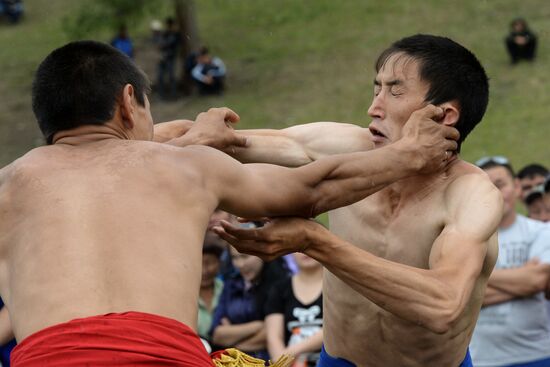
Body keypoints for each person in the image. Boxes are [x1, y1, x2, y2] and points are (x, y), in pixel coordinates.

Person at [0, 40, 458, 365]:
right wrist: (407, 155)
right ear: (127, 104)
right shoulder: (183, 167)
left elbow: (98, 164)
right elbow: (308, 191)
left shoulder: (7, 187)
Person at [213, 34, 501, 366]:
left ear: (445, 115)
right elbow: (231, 143)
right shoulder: (348, 148)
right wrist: (177, 133)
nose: (373, 108)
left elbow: (443, 304)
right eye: (376, 88)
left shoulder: (471, 194)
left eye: (394, 91)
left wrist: (315, 241)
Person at [469, 157, 550, 367]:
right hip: (481, 358)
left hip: (536, 354)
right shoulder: (464, 239)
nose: (494, 192)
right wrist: (522, 280)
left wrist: (476, 275)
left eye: (500, 184)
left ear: (516, 187)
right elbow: (458, 297)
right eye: (486, 186)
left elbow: (538, 281)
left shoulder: (542, 230)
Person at [211, 246, 289, 360]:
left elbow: (272, 335)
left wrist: (232, 343)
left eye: (245, 256)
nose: (240, 264)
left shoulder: (282, 285)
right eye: (234, 257)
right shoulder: (230, 285)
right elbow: (217, 335)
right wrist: (257, 326)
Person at [265, 253, 323, 366]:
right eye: (300, 248)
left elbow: (336, 329)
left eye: (310, 244)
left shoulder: (336, 287)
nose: (305, 251)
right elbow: (274, 337)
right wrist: (282, 363)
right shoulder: (279, 289)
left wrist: (291, 352)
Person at [197, 242, 225, 344]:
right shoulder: (185, 294)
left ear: (219, 264)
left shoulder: (227, 289)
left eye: (209, 263)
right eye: (199, 264)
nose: (204, 271)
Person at [156, 17, 180, 99]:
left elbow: (169, 44)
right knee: (161, 76)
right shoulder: (166, 33)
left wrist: (164, 44)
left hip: (171, 57)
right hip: (164, 57)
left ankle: (173, 94)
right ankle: (162, 94)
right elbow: (161, 44)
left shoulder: (175, 34)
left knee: (171, 76)